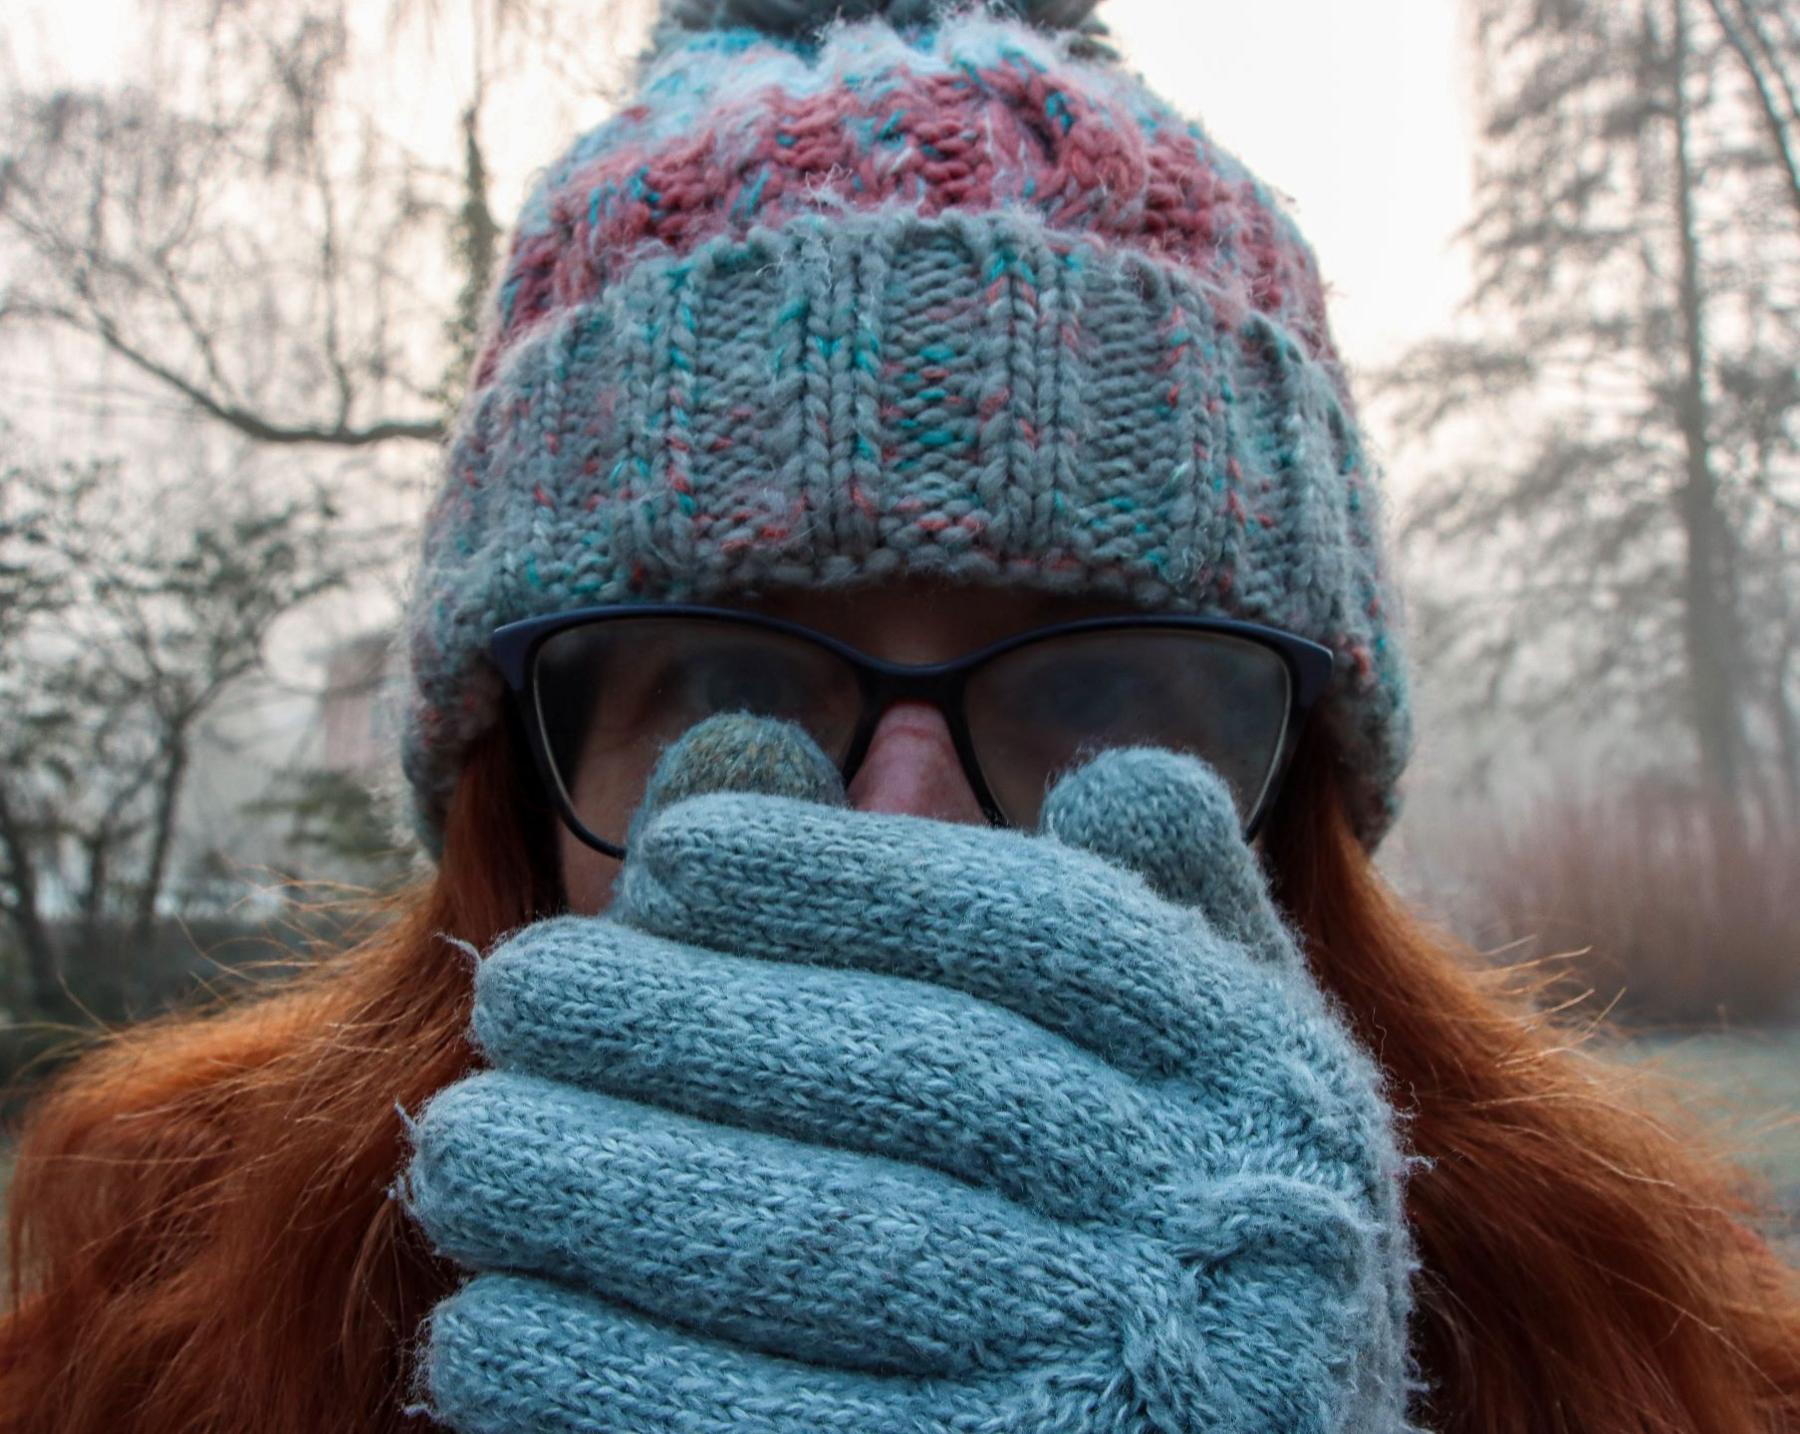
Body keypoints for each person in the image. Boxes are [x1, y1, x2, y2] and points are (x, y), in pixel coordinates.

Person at [3, 1, 1797, 1429]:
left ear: (1302, 807)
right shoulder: (125, 1363)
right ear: (509, 801)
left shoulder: (1675, 1356)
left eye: (1100, 688)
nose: (903, 829)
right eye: (718, 683)